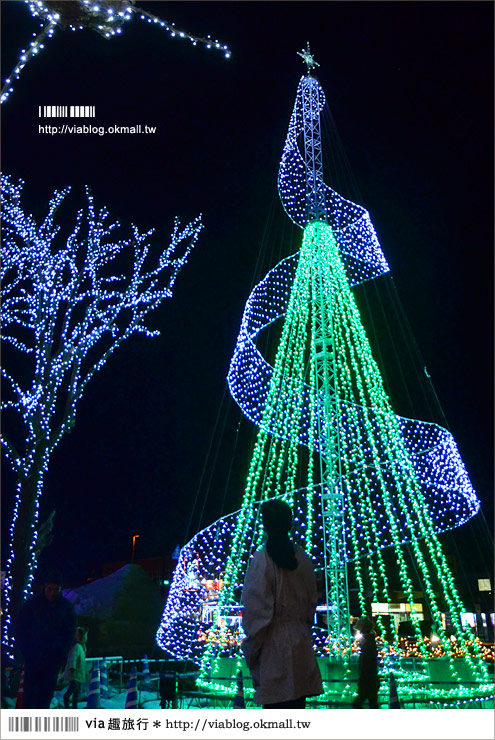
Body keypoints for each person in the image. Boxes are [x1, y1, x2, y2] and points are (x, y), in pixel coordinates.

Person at [241, 498, 323, 708]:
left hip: (273, 648)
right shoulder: (302, 557)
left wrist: (251, 652)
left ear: (265, 525)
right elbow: (311, 602)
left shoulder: (262, 560)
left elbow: (256, 613)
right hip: (300, 645)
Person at [15, 569, 77, 708]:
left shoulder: (65, 608)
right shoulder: (32, 605)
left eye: (56, 589)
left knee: (45, 695)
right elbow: (20, 628)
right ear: (44, 587)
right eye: (50, 589)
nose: (52, 593)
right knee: (30, 694)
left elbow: (69, 634)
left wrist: (61, 654)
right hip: (33, 658)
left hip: (51, 660)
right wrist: (25, 650)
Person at [352, 617, 380, 709]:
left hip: (367, 680)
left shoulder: (367, 643)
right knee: (372, 703)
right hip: (371, 679)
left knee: (359, 703)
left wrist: (363, 677)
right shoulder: (370, 642)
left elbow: (366, 663)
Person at [62, 626, 88, 709]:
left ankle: (73, 708)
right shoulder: (78, 647)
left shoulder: (80, 647)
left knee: (75, 694)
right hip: (76, 675)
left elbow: (74, 658)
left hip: (78, 674)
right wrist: (72, 668)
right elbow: (73, 658)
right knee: (71, 693)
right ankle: (71, 708)